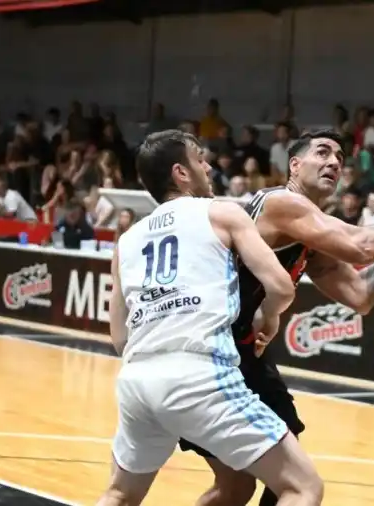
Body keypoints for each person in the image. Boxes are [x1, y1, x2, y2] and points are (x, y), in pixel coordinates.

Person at [179, 129, 374, 506]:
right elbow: (361, 247)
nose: (334, 161)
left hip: (244, 357)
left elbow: (360, 296)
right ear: (294, 165)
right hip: (216, 354)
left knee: (239, 487)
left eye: (340, 157)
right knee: (293, 484)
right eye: (323, 152)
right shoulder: (280, 203)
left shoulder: (308, 234)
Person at [95, 130, 317, 505]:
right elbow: (281, 285)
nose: (209, 166)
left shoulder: (127, 240)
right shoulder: (222, 213)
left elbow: (119, 336)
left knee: (120, 493)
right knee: (303, 486)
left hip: (137, 379)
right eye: (200, 159)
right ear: (181, 173)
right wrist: (270, 316)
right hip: (199, 373)